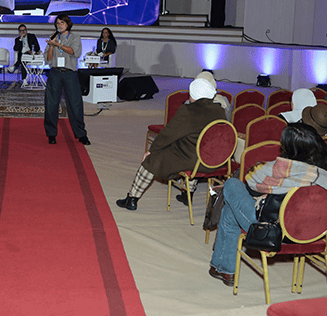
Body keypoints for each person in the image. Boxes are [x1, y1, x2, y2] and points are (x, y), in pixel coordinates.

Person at [208, 123, 327, 286]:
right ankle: (222, 268)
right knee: (230, 212)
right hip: (314, 232)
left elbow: (251, 184)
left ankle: (225, 269)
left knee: (232, 185)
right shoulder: (321, 173)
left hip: (274, 231)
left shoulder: (280, 169)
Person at [116, 77, 225, 211]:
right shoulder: (220, 111)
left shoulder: (188, 111)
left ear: (193, 94)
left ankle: (131, 198)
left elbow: (168, 134)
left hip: (192, 160)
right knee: (197, 150)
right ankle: (187, 194)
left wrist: (151, 151)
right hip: (213, 160)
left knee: (152, 160)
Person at [44, 14, 90, 146]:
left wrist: (58, 45)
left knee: (75, 104)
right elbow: (48, 59)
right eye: (57, 23)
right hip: (55, 73)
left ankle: (81, 134)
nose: (59, 25)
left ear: (68, 24)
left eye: (62, 23)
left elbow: (74, 52)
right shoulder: (53, 37)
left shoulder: (75, 37)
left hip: (70, 73)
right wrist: (51, 45)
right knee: (51, 104)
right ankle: (51, 134)